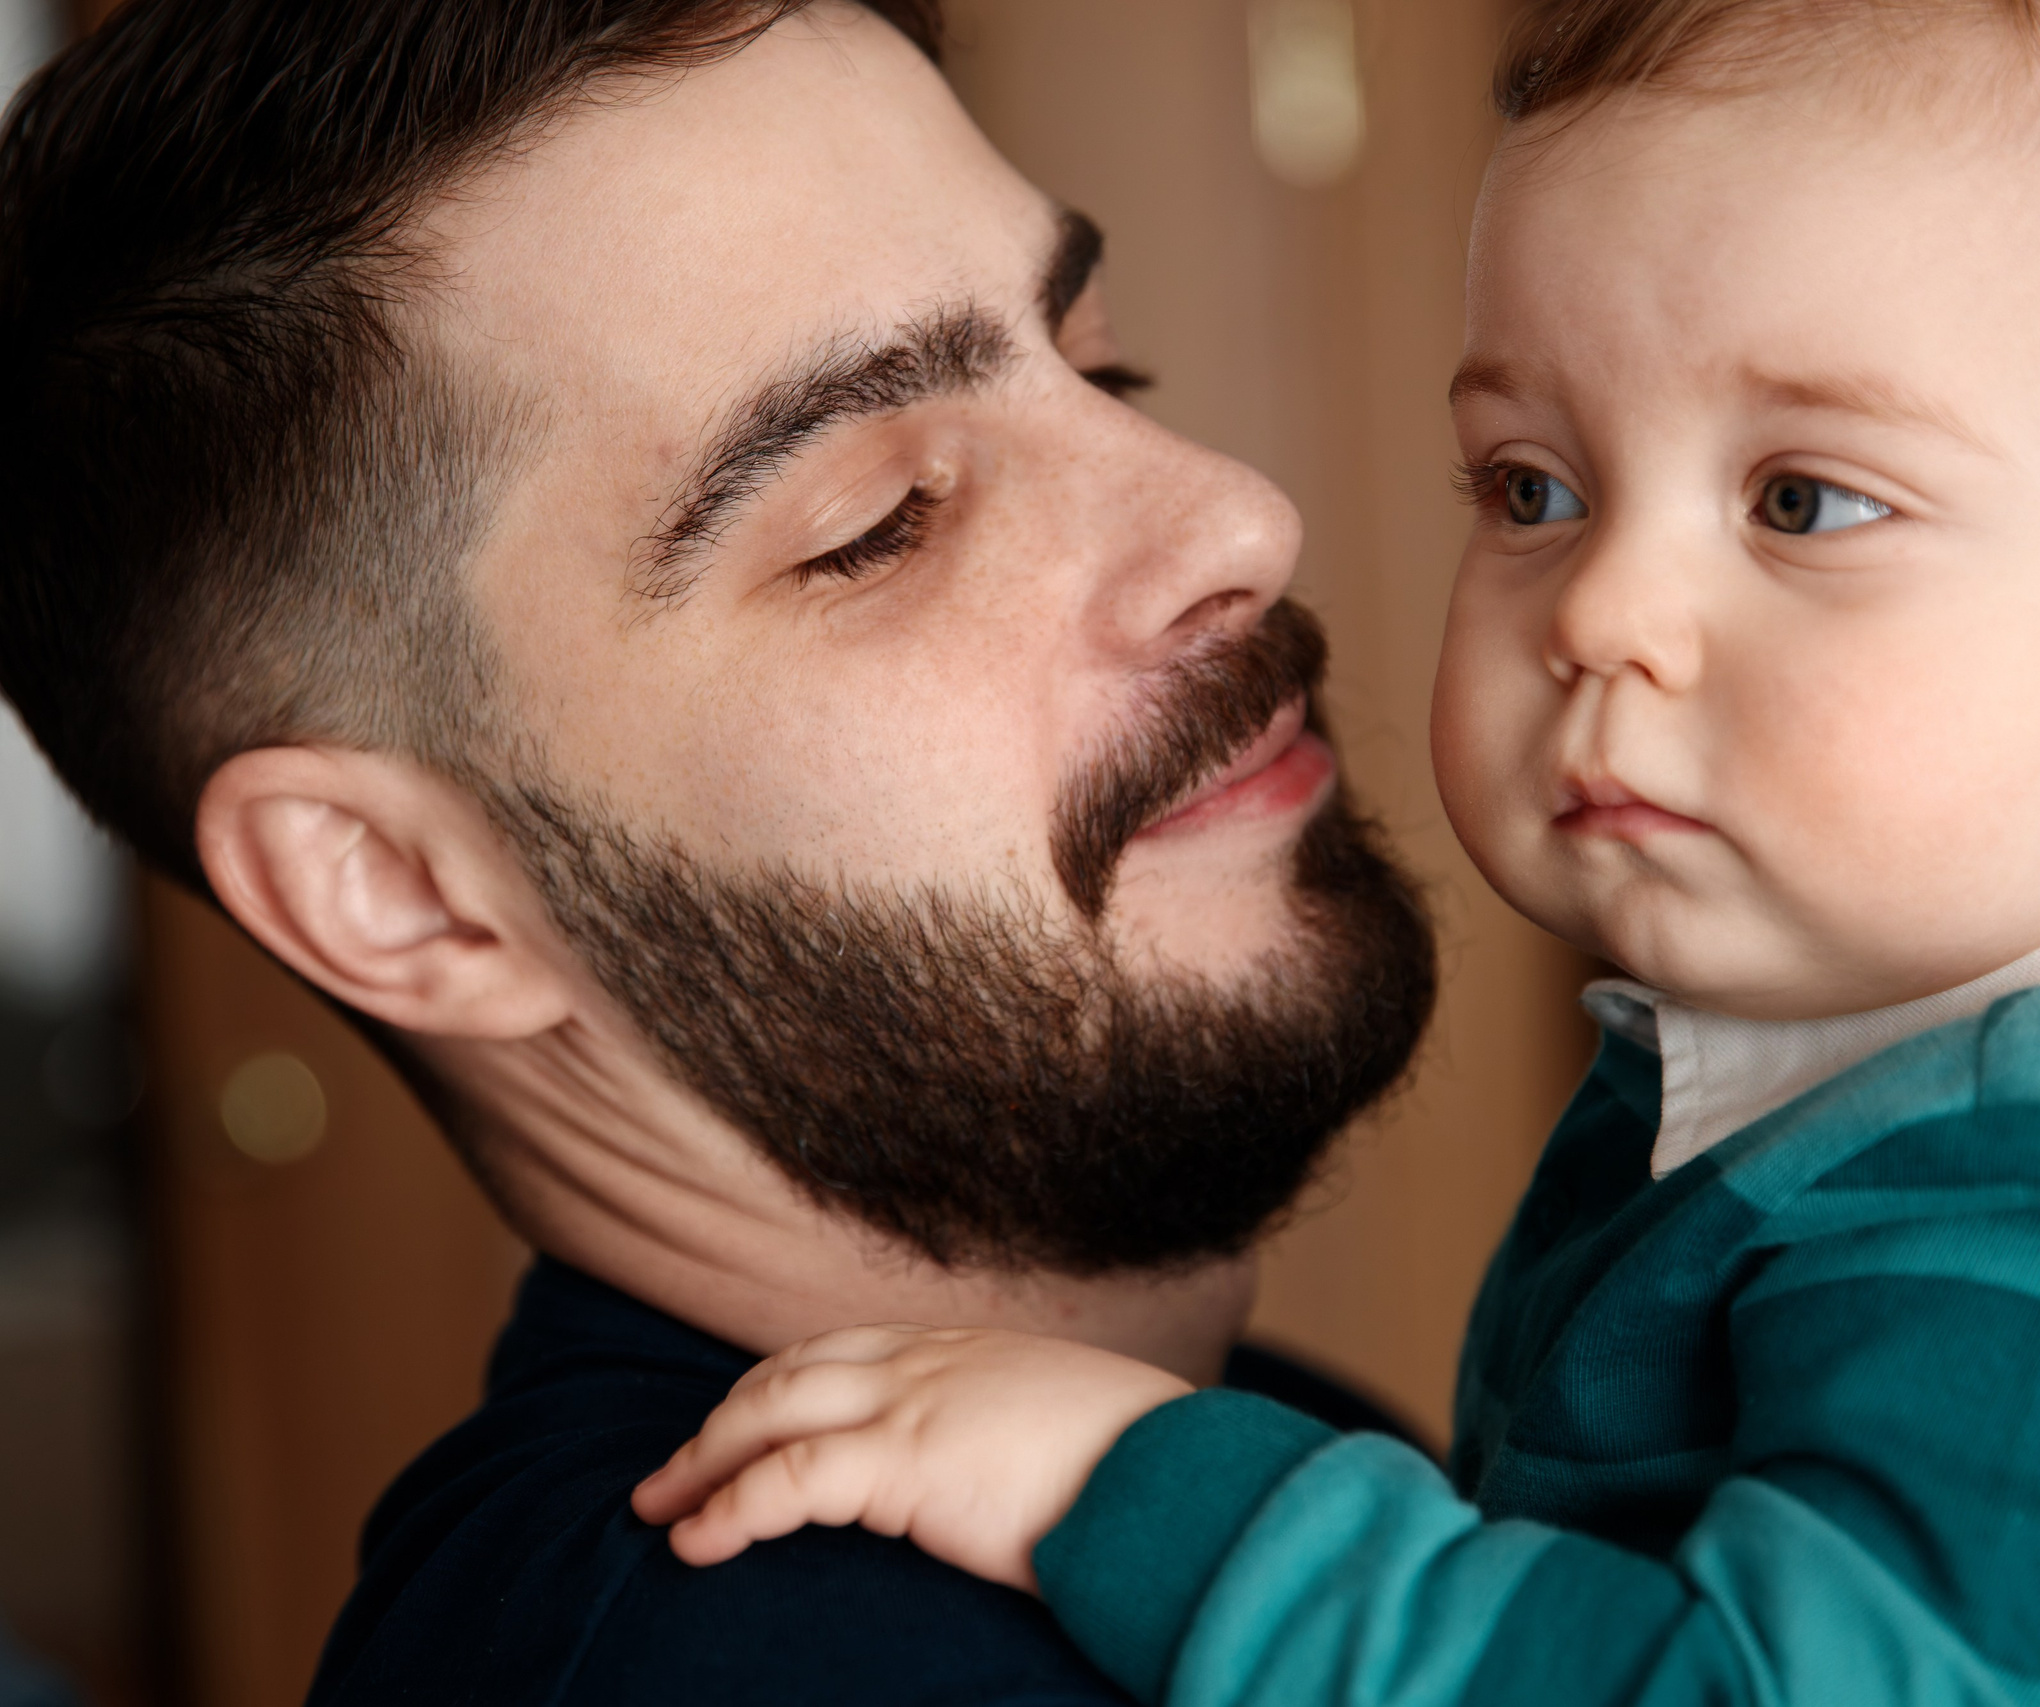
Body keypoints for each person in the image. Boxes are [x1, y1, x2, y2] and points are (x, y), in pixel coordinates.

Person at [631, 0, 2040, 1701]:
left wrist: (1131, 1493)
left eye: (1806, 499)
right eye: (1533, 486)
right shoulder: (1937, 1126)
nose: (1605, 606)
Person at [0, 2, 1441, 1702]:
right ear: (400, 892)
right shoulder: (749, 1654)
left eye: (1100, 362)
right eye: (875, 526)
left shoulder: (1266, 1489)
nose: (1236, 520)